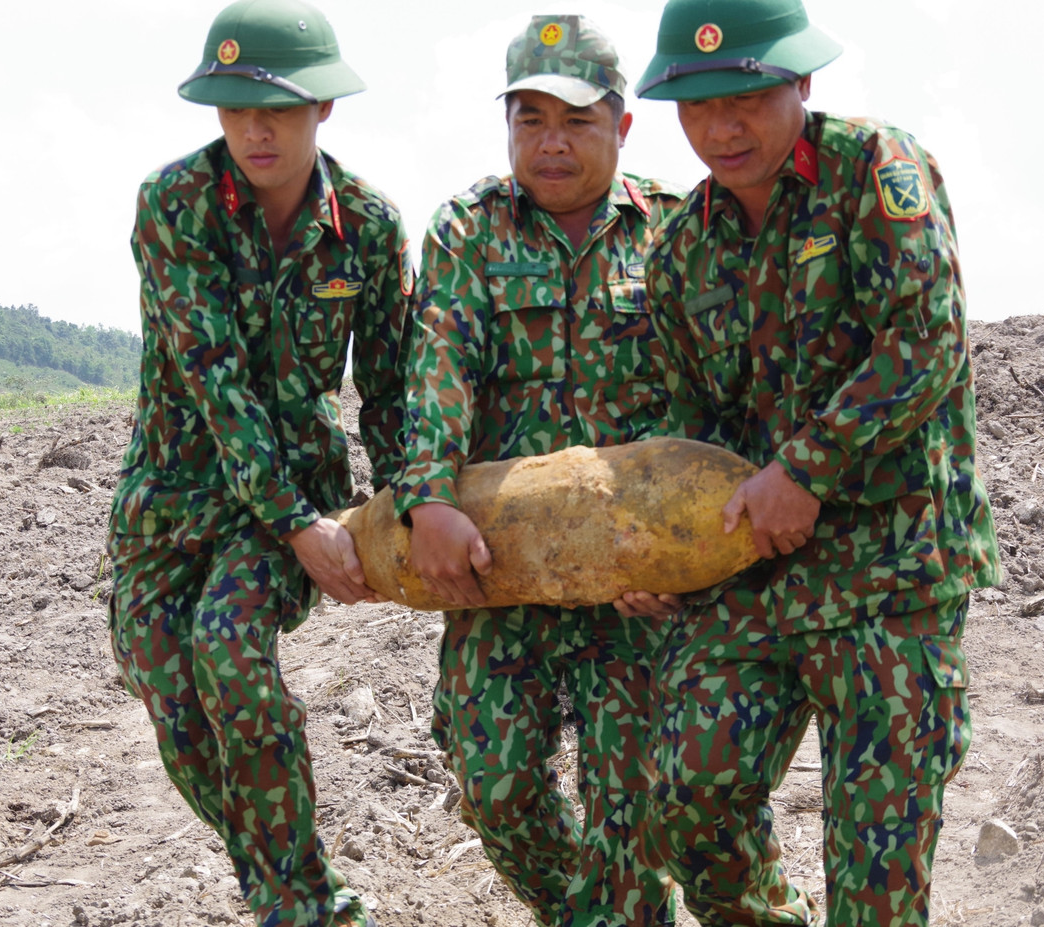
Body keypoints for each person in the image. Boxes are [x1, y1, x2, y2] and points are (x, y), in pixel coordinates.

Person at [634, 0, 1002, 924]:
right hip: (755, 576)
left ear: (800, 81)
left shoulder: (873, 169)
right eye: (698, 102)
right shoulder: (679, 246)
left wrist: (806, 469)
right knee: (686, 800)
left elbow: (926, 335)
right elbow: (691, 424)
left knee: (876, 869)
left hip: (892, 568)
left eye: (747, 94)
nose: (722, 125)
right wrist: (657, 553)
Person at [106, 2, 410, 925]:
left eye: (275, 107)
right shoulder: (174, 204)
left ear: (324, 107)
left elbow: (391, 389)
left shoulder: (366, 225)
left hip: (288, 499)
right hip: (172, 494)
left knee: (229, 651)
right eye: (234, 108)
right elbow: (213, 378)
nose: (254, 128)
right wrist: (296, 523)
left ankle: (305, 907)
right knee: (165, 683)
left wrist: (401, 509)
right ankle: (283, 878)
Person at [392, 15, 687, 927]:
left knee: (630, 808)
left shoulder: (674, 232)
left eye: (576, 121)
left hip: (628, 576)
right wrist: (429, 498)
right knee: (492, 781)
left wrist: (671, 554)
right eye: (529, 120)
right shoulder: (468, 230)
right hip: (501, 566)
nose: (550, 142)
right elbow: (436, 373)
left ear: (623, 127)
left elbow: (701, 401)